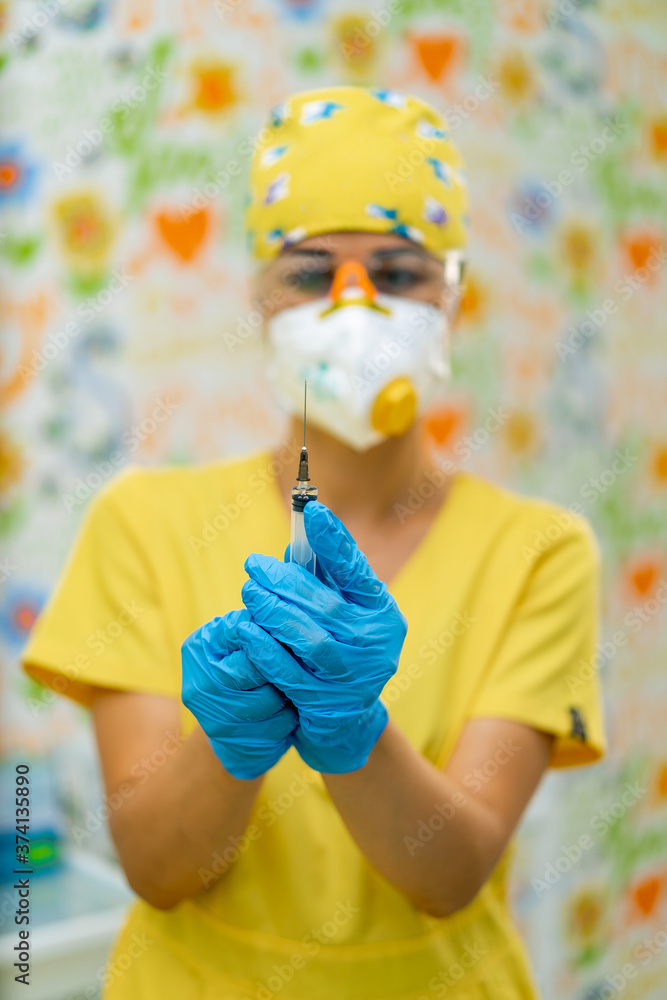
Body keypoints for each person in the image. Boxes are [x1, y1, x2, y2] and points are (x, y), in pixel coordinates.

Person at [22, 86, 607, 1000]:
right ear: (260, 297)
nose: (354, 307)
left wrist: (351, 727)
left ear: (452, 296)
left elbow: (449, 877)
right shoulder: (142, 523)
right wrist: (228, 742)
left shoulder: (537, 550)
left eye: (398, 271)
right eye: (308, 272)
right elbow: (157, 869)